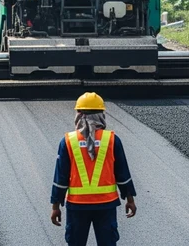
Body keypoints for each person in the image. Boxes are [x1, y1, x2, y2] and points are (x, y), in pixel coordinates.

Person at [50, 92, 137, 246]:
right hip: (106, 205)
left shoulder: (68, 141)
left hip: (77, 206)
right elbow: (122, 173)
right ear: (101, 115)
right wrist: (130, 199)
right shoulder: (111, 140)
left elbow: (60, 178)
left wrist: (55, 206)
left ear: (79, 114)